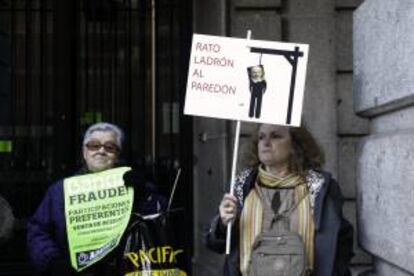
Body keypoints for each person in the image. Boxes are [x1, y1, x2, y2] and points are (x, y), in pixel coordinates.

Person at [205, 124, 354, 276]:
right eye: (261, 137)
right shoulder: (240, 188)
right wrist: (223, 224)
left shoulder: (322, 189)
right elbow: (215, 244)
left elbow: (341, 243)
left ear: (295, 145)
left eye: (275, 136)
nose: (266, 142)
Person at [27, 122, 165, 275]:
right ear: (84, 152)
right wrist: (52, 262)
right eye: (93, 145)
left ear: (117, 155)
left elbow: (158, 217)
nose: (101, 151)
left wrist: (142, 194)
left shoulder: (135, 187)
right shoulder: (60, 191)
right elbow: (38, 230)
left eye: (110, 147)